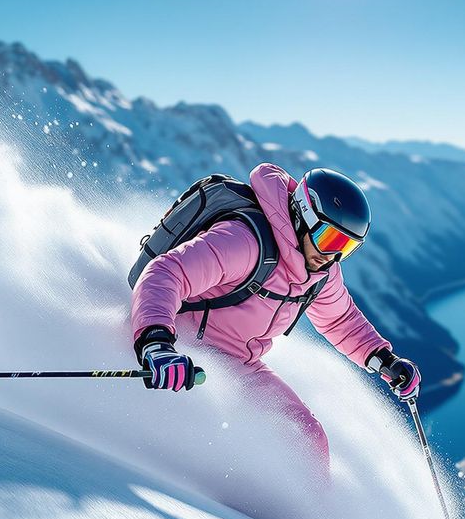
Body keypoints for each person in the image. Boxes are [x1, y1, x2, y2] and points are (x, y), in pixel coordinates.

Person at [129, 163, 421, 481]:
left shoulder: (320, 273)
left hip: (237, 362)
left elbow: (341, 320)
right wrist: (157, 343)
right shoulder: (245, 241)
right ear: (303, 217)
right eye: (328, 239)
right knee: (200, 430)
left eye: (346, 247)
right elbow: (166, 273)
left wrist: (385, 360)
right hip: (179, 347)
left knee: (305, 436)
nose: (333, 255)